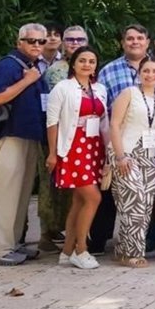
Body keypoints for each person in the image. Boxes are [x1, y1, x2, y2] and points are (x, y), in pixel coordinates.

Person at [0, 22, 50, 267]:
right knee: (5, 194)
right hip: (10, 135)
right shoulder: (10, 65)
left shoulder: (34, 66)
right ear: (19, 42)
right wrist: (27, 81)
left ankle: (12, 244)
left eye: (41, 41)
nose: (37, 45)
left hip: (28, 137)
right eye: (31, 41)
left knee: (21, 194)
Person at [44, 46, 107, 269]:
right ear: (73, 63)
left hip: (94, 147)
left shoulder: (100, 88)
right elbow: (52, 122)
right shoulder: (63, 88)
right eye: (82, 60)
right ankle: (81, 249)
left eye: (91, 61)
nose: (87, 64)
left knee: (79, 201)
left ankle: (67, 250)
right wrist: (53, 153)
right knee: (93, 198)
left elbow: (104, 121)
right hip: (72, 148)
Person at [109, 56, 155, 268]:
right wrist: (120, 156)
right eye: (146, 71)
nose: (150, 75)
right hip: (126, 151)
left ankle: (123, 249)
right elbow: (114, 125)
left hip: (149, 155)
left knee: (145, 206)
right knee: (134, 201)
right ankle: (133, 253)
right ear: (139, 73)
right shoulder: (129, 93)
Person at [39, 24, 89, 254]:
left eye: (80, 40)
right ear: (63, 43)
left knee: (76, 191)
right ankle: (46, 233)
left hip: (83, 140)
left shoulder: (90, 67)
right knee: (50, 185)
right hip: (56, 136)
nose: (74, 43)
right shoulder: (55, 72)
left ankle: (72, 233)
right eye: (70, 39)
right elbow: (51, 111)